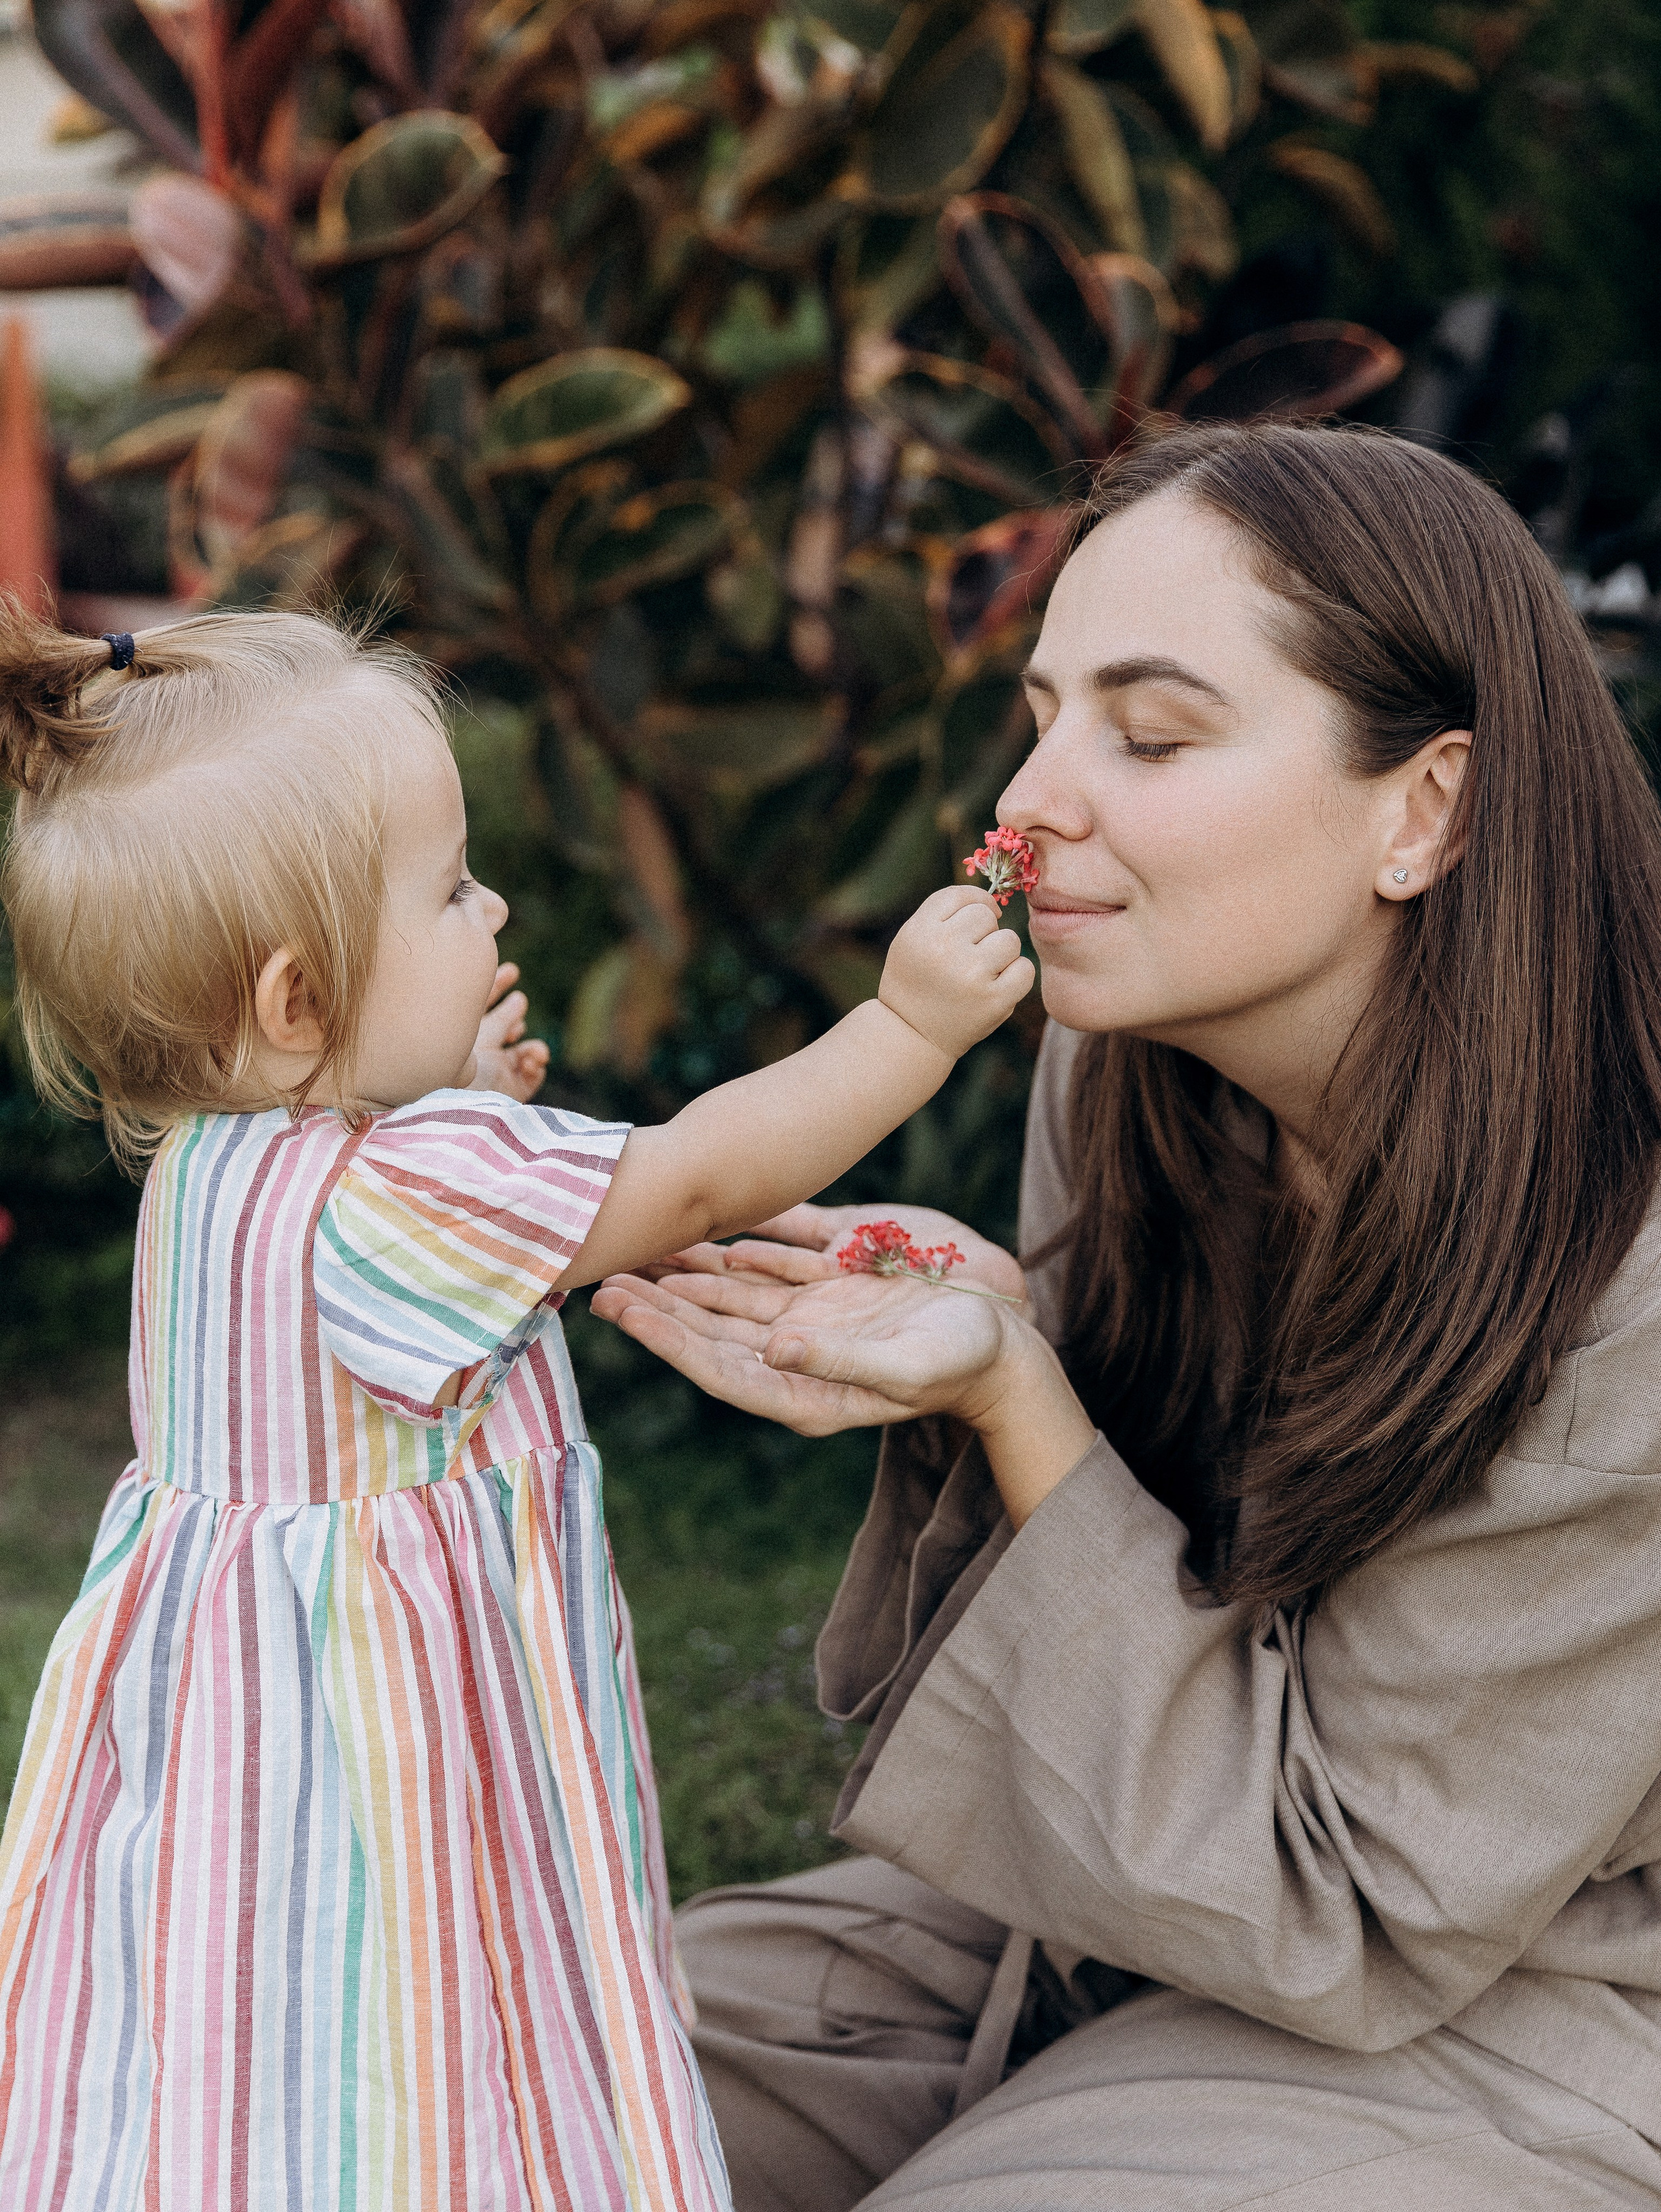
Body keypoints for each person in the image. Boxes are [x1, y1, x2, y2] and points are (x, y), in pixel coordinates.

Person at [591, 421, 1661, 2209]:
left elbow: (1358, 1903)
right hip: (1089, 1909)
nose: (1030, 805)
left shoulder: (1631, 1273)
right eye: (1042, 714)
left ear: (1430, 808)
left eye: (1151, 735)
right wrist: (989, 1346)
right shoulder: (1113, 1067)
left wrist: (1028, 1409)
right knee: (466, 2072)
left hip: (1521, 1997)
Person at [0, 603, 1032, 2211]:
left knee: (255, 2057)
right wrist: (906, 1030)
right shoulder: (408, 1181)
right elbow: (695, 1173)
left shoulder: (213, 1167)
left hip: (244, 1759)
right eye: (447, 888)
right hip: (399, 1759)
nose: (492, 907)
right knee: (437, 2059)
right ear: (294, 1005)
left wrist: (449, 1091)